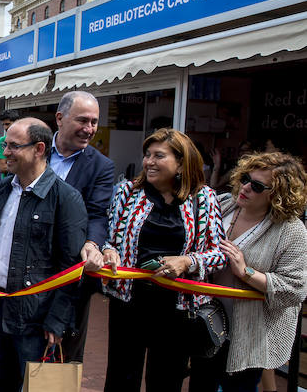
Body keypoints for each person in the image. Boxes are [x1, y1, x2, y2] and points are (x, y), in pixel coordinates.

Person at [99, 128, 227, 392]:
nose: (149, 162)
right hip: (128, 303)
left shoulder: (204, 199)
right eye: (147, 155)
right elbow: (109, 238)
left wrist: (187, 262)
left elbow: (218, 254)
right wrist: (109, 252)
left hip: (177, 309)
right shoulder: (127, 192)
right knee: (121, 378)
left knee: (166, 380)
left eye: (159, 156)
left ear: (181, 163)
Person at [0, 118, 87, 391]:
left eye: (13, 146)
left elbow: (72, 268)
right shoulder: (5, 188)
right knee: (0, 382)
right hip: (0, 308)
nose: (4, 153)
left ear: (38, 149)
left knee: (40, 388)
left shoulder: (65, 198)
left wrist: (57, 321)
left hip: (37, 320)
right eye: (4, 145)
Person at [189, 152, 307, 392]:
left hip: (248, 335)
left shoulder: (291, 231)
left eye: (256, 186)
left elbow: (294, 289)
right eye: (245, 178)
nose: (245, 187)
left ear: (278, 194)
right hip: (205, 324)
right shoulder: (223, 204)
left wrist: (245, 272)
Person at [47, 91, 116, 363]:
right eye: (83, 120)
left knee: (63, 360)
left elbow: (98, 214)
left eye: (94, 122)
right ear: (60, 119)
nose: (89, 129)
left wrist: (92, 243)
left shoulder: (101, 166)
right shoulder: (34, 149)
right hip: (25, 269)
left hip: (70, 276)